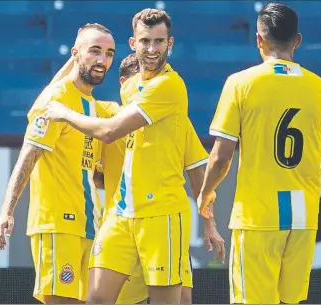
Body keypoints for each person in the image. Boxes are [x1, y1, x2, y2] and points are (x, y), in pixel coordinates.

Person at [45, 9, 207, 304]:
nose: (152, 49)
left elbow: (109, 132)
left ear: (170, 43)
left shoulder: (169, 86)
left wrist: (63, 113)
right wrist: (78, 54)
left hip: (162, 214)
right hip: (121, 214)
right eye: (145, 41)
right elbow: (66, 94)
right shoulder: (130, 88)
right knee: (96, 299)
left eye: (159, 41)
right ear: (132, 43)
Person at [197, 3, 321, 304]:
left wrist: (205, 192)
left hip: (257, 216)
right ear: (298, 40)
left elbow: (222, 155)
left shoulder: (241, 84)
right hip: (303, 217)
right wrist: (305, 169)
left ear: (258, 39)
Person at [0, 23, 115, 304]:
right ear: (75, 54)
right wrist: (6, 211)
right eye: (94, 51)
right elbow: (28, 153)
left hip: (87, 224)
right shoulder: (57, 99)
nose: (102, 60)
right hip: (58, 224)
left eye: (109, 53)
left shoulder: (90, 104)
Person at [96, 53, 225, 304]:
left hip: (161, 223)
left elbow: (197, 172)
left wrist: (209, 224)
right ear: (124, 83)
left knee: (182, 298)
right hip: (122, 225)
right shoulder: (106, 117)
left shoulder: (172, 117)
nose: (150, 92)